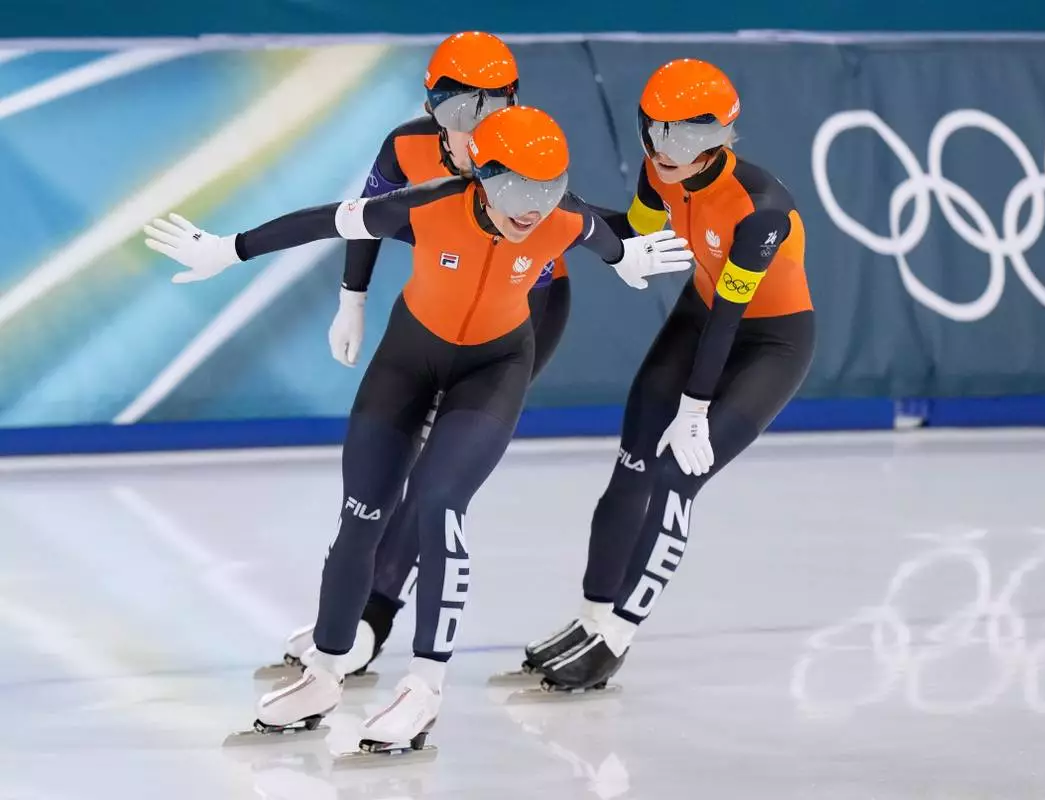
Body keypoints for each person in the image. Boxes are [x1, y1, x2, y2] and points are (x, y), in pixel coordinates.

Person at [145, 104, 693, 754]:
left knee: (439, 506)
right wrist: (228, 250)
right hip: (408, 358)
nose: (532, 209)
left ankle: (424, 689)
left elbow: (607, 241)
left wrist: (626, 257)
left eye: (548, 190)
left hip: (492, 370)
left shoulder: (562, 219)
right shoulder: (423, 206)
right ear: (482, 176)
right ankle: (323, 672)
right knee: (360, 515)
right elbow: (325, 220)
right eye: (517, 188)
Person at [262, 30, 574, 682]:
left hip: (519, 318)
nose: (476, 129)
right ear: (431, 106)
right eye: (461, 112)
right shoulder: (405, 146)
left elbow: (592, 226)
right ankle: (347, 616)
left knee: (436, 479)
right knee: (381, 473)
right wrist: (352, 297)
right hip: (433, 318)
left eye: (493, 110)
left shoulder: (523, 151)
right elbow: (362, 217)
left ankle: (374, 618)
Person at [517, 59, 816, 692]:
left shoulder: (760, 210)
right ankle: (592, 616)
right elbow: (635, 236)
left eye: (679, 137)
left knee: (679, 476)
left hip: (770, 342)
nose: (660, 148)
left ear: (717, 137)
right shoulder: (660, 172)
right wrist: (555, 206)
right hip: (698, 316)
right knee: (631, 466)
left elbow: (734, 317)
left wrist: (696, 408)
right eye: (652, 130)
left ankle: (618, 637)